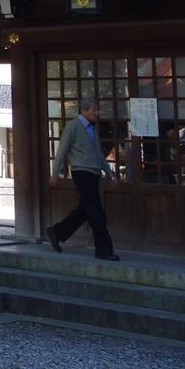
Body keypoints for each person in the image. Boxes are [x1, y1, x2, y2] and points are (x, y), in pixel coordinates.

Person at [46, 97, 119, 261]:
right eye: (94, 110)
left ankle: (56, 232)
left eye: (97, 110)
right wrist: (55, 174)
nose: (97, 113)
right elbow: (62, 151)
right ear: (84, 110)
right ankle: (103, 250)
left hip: (93, 172)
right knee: (96, 211)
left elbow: (99, 154)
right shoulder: (72, 127)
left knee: (85, 209)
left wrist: (109, 173)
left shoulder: (92, 129)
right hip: (81, 172)